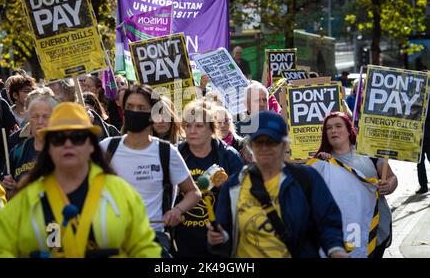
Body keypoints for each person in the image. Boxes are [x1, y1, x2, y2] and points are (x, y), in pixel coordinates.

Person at [0, 102, 161, 258]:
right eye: (59, 138)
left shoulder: (121, 193)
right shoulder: (28, 198)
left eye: (77, 137)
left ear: (91, 145)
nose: (68, 144)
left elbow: (145, 249)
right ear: (49, 147)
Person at [207, 111, 347, 258]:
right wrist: (218, 239)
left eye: (272, 141)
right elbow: (225, 232)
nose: (264, 147)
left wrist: (335, 249)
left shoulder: (306, 178)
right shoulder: (234, 185)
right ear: (250, 145)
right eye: (259, 142)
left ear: (285, 144)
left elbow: (328, 222)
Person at [99, 84, 201, 256]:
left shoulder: (166, 152)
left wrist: (177, 210)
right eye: (129, 107)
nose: (134, 112)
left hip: (152, 241)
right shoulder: (106, 148)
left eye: (141, 108)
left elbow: (193, 192)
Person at [313, 112, 397, 258]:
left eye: (338, 126)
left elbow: (391, 177)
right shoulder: (321, 161)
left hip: (376, 227)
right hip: (345, 232)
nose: (333, 130)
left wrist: (388, 186)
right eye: (328, 128)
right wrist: (320, 165)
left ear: (348, 130)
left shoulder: (369, 152)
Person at [174, 101, 244, 258]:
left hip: (219, 240)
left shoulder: (228, 156)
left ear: (211, 128)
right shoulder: (175, 154)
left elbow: (245, 197)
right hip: (183, 241)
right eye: (188, 125)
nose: (192, 131)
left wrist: (226, 186)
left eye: (199, 126)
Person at [0, 94, 59, 200]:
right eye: (35, 117)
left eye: (45, 116)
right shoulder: (18, 151)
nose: (40, 121)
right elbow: (7, 194)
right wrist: (8, 187)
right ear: (29, 120)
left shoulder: (64, 148)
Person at [416, 104, 430, 194]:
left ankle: (424, 186)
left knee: (420, 162)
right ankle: (423, 186)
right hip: (419, 136)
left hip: (427, 135)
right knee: (419, 162)